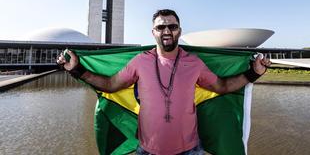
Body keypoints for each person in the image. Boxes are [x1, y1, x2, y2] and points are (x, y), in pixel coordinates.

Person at [57, 9, 271, 155]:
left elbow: (221, 87)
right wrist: (77, 70)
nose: (166, 31)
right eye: (160, 27)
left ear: (179, 30)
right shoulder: (140, 61)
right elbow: (112, 85)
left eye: (172, 26)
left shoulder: (193, 63)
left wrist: (253, 74)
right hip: (148, 150)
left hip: (189, 149)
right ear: (153, 32)